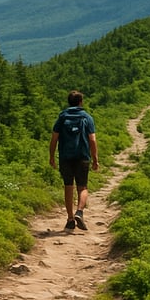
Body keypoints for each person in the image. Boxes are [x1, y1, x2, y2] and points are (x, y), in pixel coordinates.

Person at [49, 90, 98, 231]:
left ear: (69, 102)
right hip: (82, 156)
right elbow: (92, 140)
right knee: (82, 187)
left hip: (65, 157)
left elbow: (54, 139)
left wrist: (51, 157)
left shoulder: (62, 117)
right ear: (81, 102)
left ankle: (70, 219)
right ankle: (79, 212)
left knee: (68, 186)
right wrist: (95, 159)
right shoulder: (86, 117)